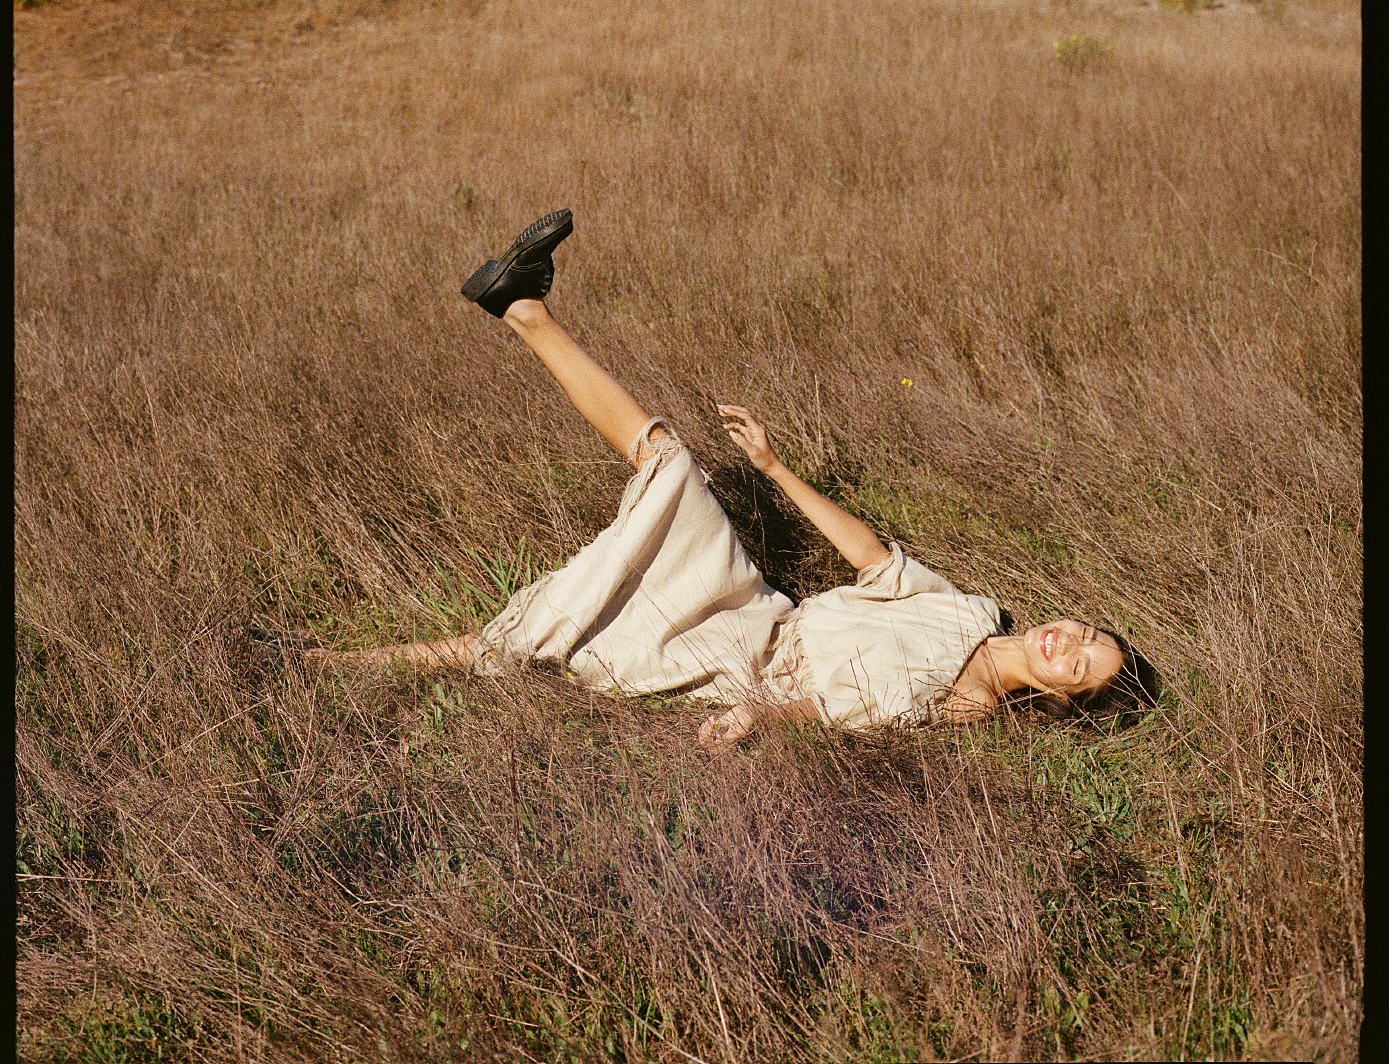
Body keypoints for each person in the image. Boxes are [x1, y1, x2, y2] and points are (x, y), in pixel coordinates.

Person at [310, 211, 1153, 749]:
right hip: (760, 610)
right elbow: (872, 559)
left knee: (552, 639)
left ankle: (334, 664)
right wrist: (773, 468)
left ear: (1059, 700)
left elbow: (843, 711)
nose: (1067, 643)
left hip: (738, 666)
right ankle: (521, 306)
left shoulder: (969, 707)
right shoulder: (974, 610)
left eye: (1080, 666)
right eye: (1085, 632)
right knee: (669, 459)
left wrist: (760, 714)